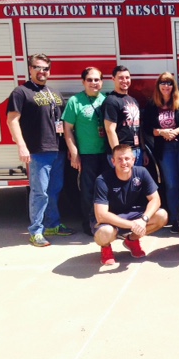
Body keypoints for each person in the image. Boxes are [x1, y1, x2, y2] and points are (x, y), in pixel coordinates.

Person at [6, 53, 75, 247]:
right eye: (37, 67)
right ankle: (36, 231)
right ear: (30, 69)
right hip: (38, 150)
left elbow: (62, 122)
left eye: (45, 68)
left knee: (55, 190)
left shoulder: (54, 92)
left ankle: (52, 224)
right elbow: (12, 119)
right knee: (39, 192)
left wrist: (68, 147)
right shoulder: (21, 92)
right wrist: (21, 145)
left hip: (58, 149)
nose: (42, 71)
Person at [93, 144, 168, 265]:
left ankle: (132, 240)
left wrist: (144, 220)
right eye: (119, 159)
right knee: (105, 232)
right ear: (113, 161)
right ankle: (106, 248)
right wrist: (132, 225)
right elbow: (101, 215)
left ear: (133, 160)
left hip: (133, 214)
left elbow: (156, 200)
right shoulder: (102, 180)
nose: (124, 162)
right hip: (111, 218)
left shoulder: (142, 172)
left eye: (127, 159)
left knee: (162, 215)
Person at [142, 72, 179, 231]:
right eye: (163, 83)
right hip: (165, 150)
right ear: (158, 86)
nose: (166, 86)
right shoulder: (152, 104)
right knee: (171, 184)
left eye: (169, 83)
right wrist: (162, 132)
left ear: (174, 86)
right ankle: (174, 218)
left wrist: (175, 131)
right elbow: (146, 128)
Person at [62, 66, 108, 236]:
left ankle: (105, 221)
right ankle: (90, 223)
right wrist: (74, 152)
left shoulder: (105, 100)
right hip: (87, 154)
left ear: (102, 82)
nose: (93, 83)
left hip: (106, 153)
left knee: (104, 189)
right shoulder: (75, 101)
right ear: (83, 82)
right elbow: (68, 129)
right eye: (90, 80)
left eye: (97, 80)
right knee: (88, 190)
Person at [102, 65, 145, 166]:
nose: (124, 80)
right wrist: (119, 155)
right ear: (113, 79)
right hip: (123, 154)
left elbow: (139, 127)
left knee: (136, 181)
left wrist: (143, 149)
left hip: (136, 151)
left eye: (127, 77)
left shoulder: (133, 100)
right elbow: (110, 130)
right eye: (121, 78)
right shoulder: (111, 101)